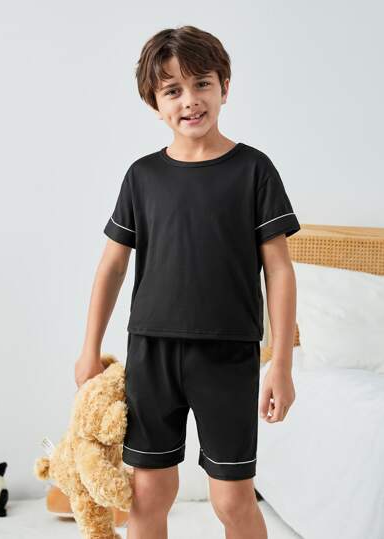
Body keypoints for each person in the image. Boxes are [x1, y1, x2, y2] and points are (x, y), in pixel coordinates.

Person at [75, 25, 300, 539]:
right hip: (152, 353)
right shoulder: (142, 176)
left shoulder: (254, 170)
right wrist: (89, 349)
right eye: (172, 90)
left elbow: (279, 270)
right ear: (155, 104)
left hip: (228, 356)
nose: (190, 100)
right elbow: (112, 267)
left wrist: (281, 364)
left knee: (232, 499)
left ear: (225, 87)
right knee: (148, 495)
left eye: (202, 83)